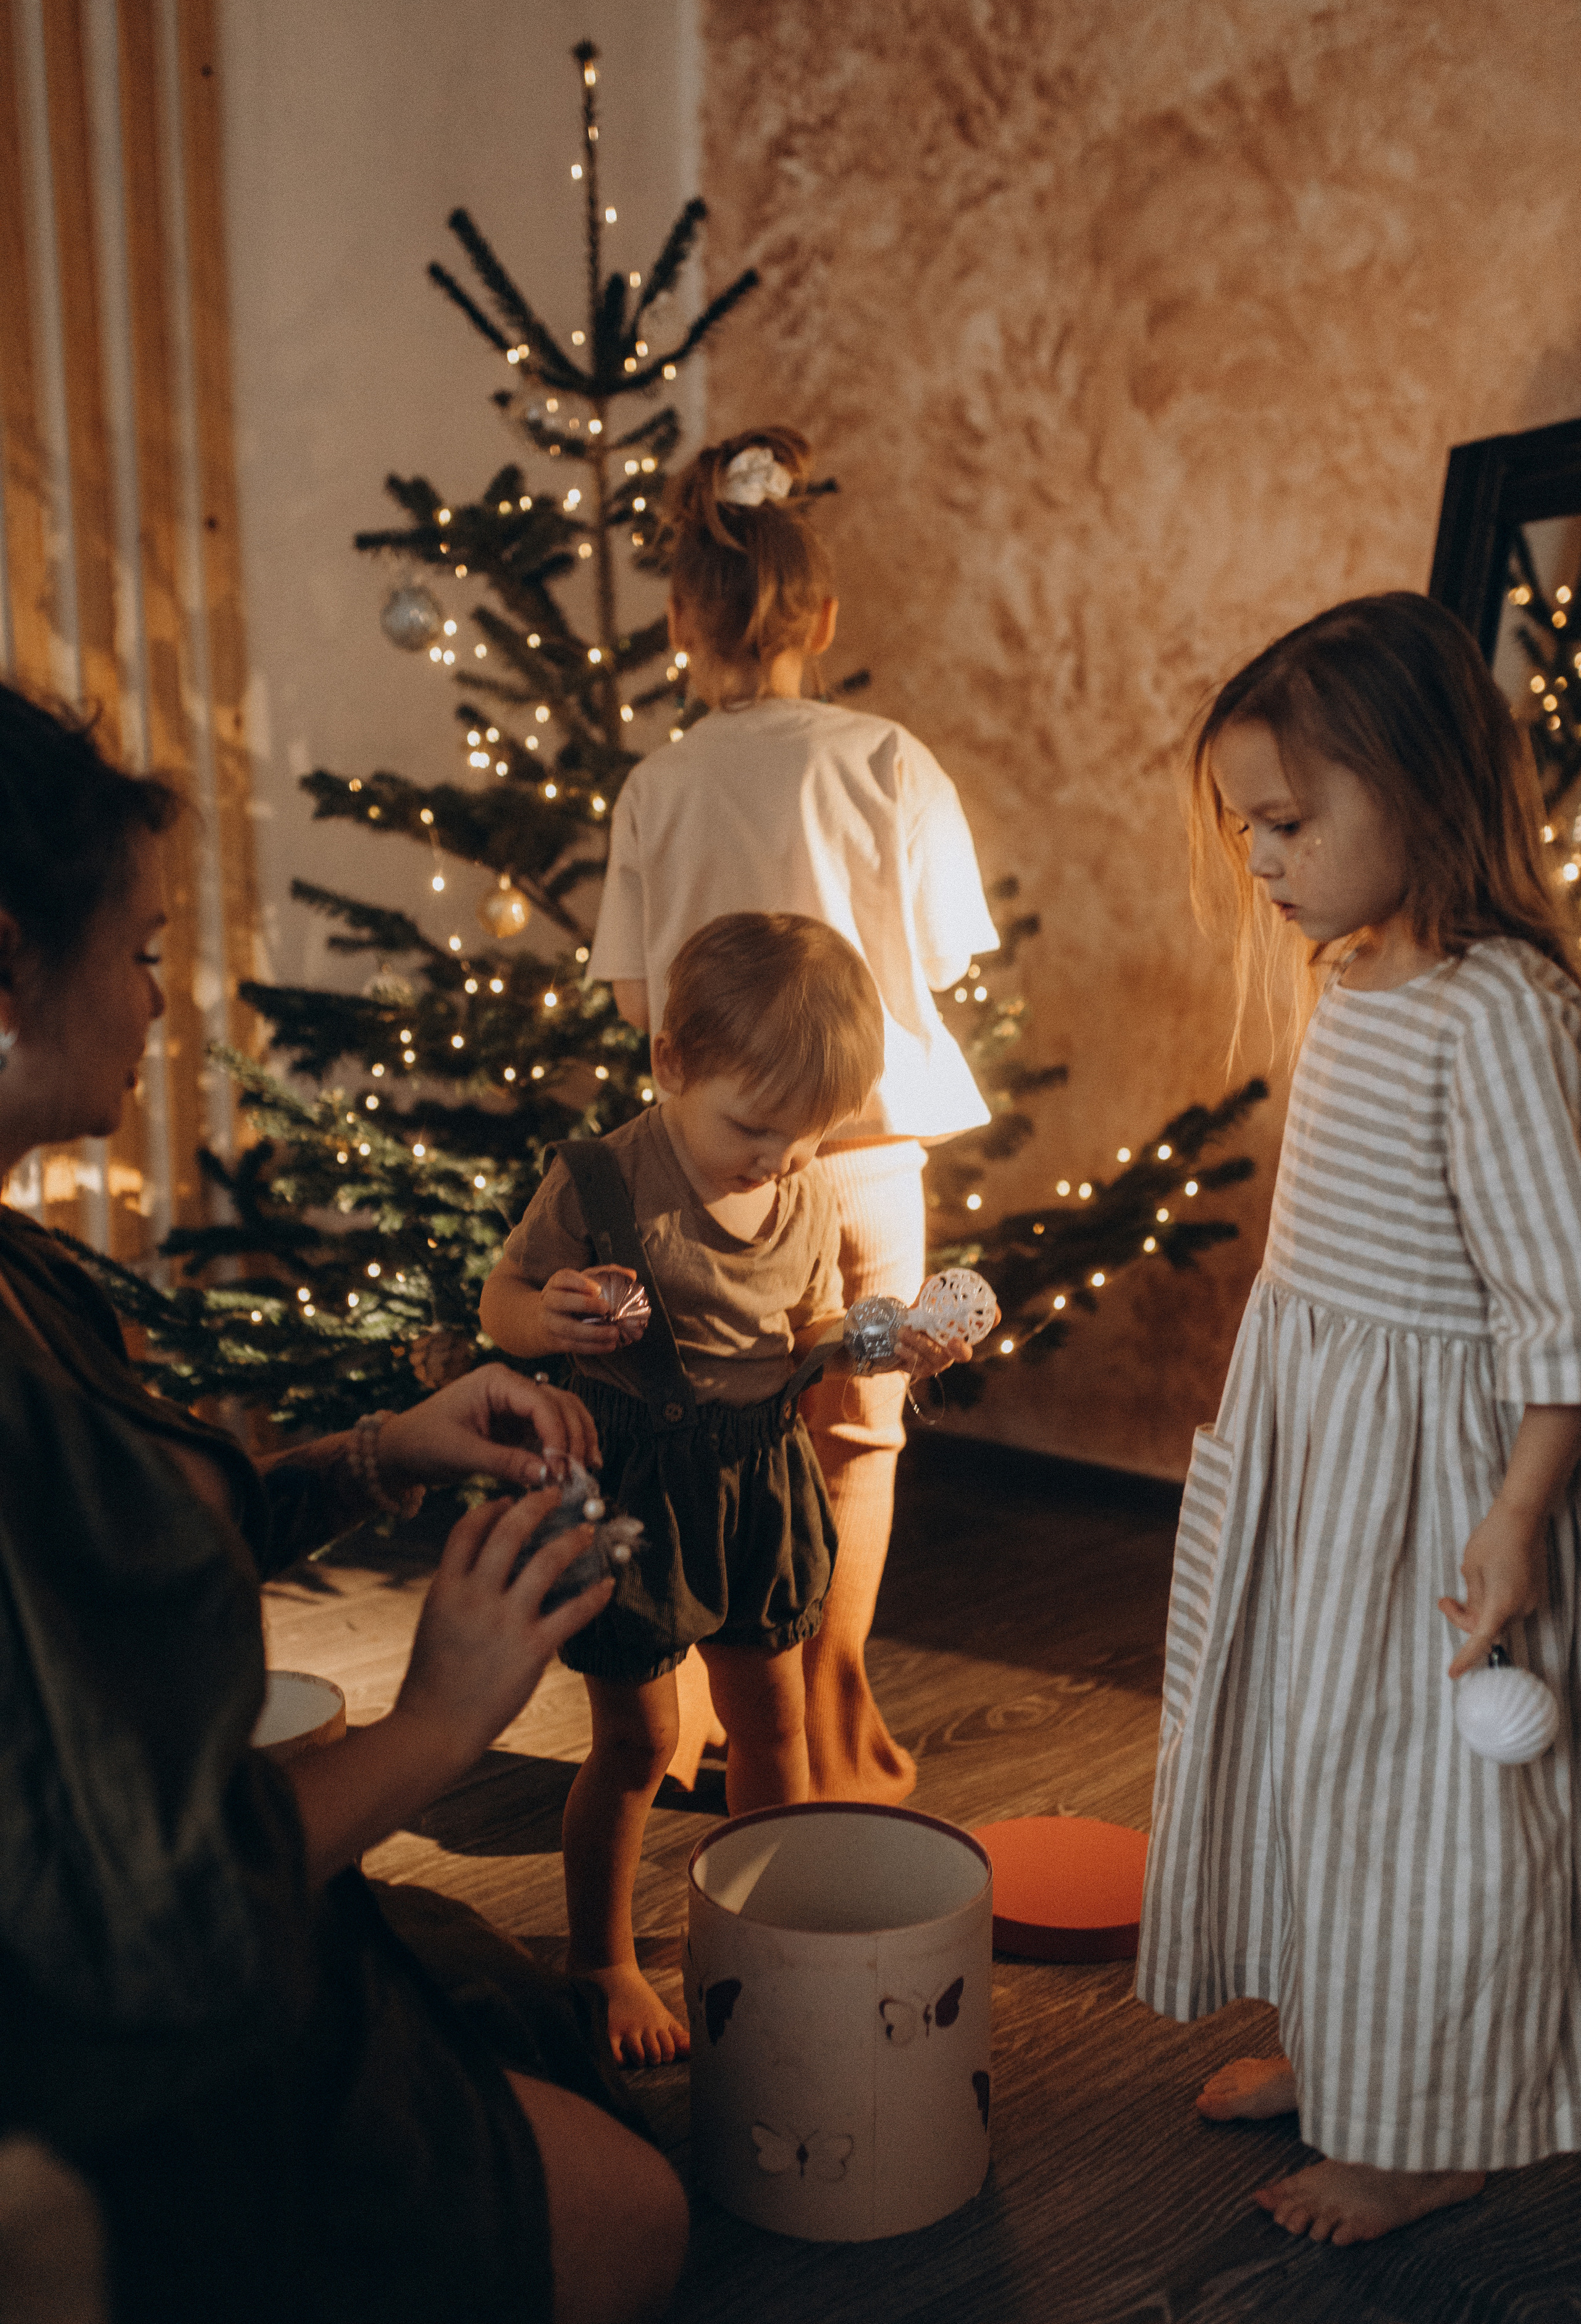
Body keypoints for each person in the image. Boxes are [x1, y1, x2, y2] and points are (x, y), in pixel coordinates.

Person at [0, 683, 688, 2324]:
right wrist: (436, 1722)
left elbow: (132, 1559)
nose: (159, 998)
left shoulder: (26, 1269)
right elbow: (123, 1923)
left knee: (545, 2040)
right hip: (137, 2063)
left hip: (255, 1931)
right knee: (648, 2218)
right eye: (141, 950)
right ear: (8, 965)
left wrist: (387, 1452)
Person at [1136, 594, 1581, 2246]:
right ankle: (1349, 2051)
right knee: (1314, 1759)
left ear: (1420, 788)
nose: (1261, 859)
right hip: (1318, 1463)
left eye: (1290, 822)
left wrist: (1514, 1517)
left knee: (1425, 1804)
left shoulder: (1498, 1012)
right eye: (1246, 827)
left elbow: (1560, 1304)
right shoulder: (1353, 974)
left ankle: (1430, 2134)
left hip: (1433, 1490)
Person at [479, 912, 977, 2067]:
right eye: (753, 1128)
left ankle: (769, 1930)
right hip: (634, 1491)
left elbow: (806, 1331)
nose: (778, 1159)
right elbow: (501, 1301)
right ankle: (603, 1960)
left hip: (759, 1482)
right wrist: (542, 1316)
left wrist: (887, 1342)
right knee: (641, 1742)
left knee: (776, 1726)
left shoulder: (801, 1191)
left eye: (806, 1138)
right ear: (670, 1063)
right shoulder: (600, 1179)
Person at [589, 426, 1000, 1804]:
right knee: (855, 1440)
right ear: (821, 619)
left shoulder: (656, 785)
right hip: (870, 1144)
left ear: (678, 619)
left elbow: (639, 1000)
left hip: (714, 1176)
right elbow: (944, 960)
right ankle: (828, 1713)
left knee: (706, 1426)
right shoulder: (889, 758)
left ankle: (711, 1713)